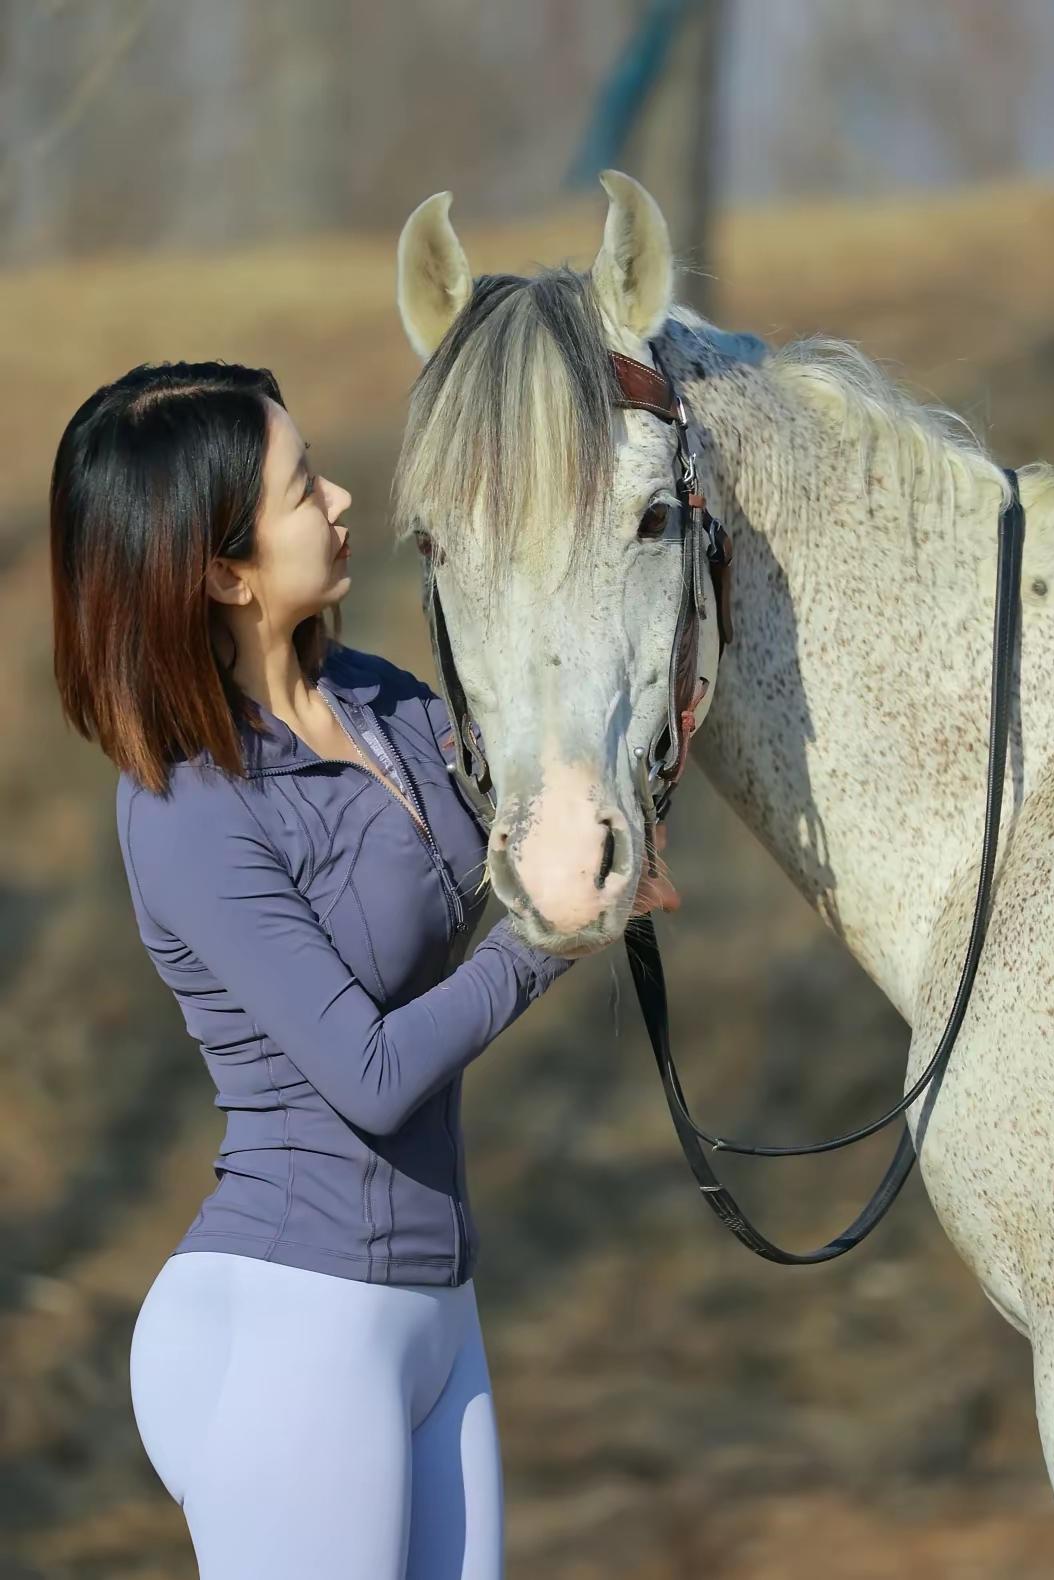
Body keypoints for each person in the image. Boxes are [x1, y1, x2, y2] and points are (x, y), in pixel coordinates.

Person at [49, 360, 679, 1580]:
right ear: (225, 571)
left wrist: (612, 830)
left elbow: (542, 808)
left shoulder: (383, 700)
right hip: (293, 1313)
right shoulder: (188, 808)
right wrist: (551, 937)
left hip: (439, 1303)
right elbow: (371, 1071)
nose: (343, 499)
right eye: (301, 489)